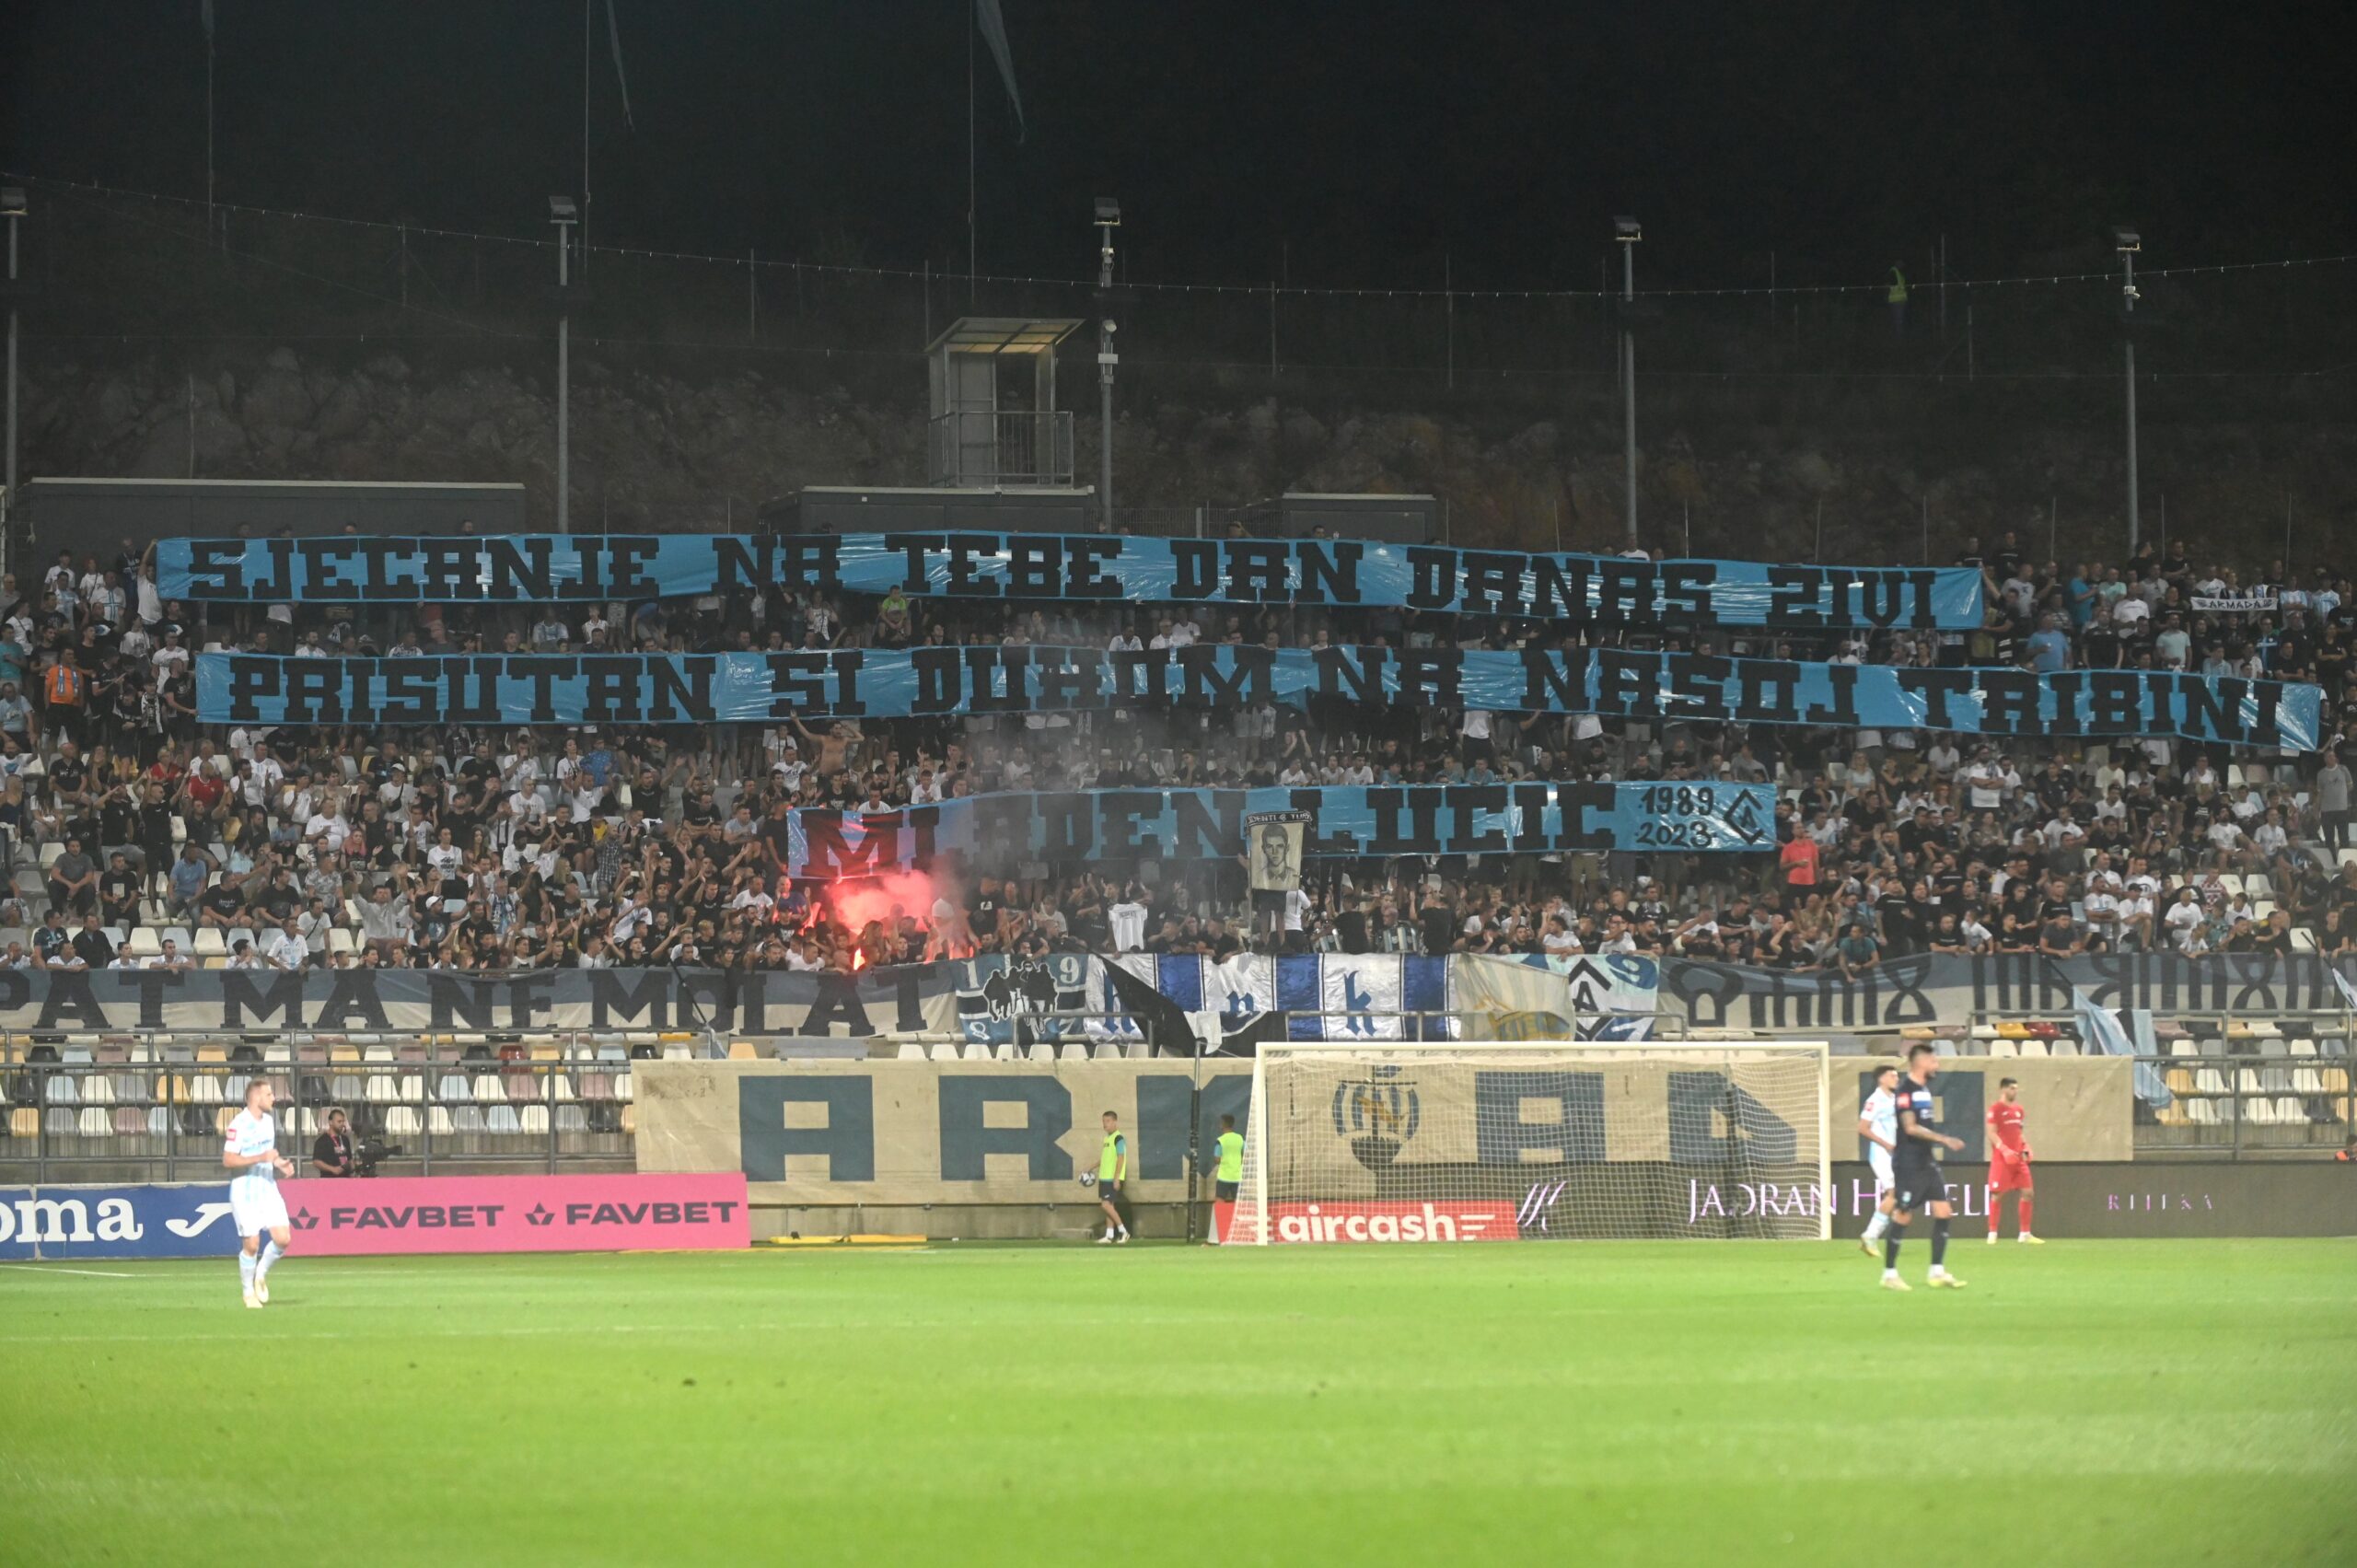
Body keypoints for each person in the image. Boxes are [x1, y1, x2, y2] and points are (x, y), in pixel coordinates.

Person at [1879, 1042, 1967, 1291]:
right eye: (1933, 1060)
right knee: (1904, 1216)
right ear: (1921, 1062)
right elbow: (1910, 1128)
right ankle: (1889, 1274)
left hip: (1926, 1162)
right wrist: (1944, 1139)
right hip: (1909, 1164)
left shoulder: (1924, 1090)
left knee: (1944, 1212)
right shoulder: (1905, 1090)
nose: (1937, 1065)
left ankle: (1937, 1271)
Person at [222, 1078, 296, 1308]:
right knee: (252, 1244)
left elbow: (268, 1153)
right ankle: (247, 1294)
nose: (274, 1098)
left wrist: (279, 1163)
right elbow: (228, 1160)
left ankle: (260, 1274)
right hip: (245, 1191)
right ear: (256, 1098)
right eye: (269, 1094)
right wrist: (261, 1158)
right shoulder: (238, 1124)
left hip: (267, 1187)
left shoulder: (268, 1121)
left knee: (283, 1239)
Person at [1985, 1076, 2044, 1244]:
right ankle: (1992, 1234)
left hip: (2018, 1158)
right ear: (2003, 1089)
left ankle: (2025, 1233)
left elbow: (2019, 1132)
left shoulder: (2019, 1110)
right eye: (2012, 1088)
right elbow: (1991, 1133)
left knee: (2028, 1193)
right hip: (2002, 1159)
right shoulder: (1995, 1109)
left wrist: (2026, 1147)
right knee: (1997, 1195)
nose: (2015, 1091)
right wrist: (2004, 1150)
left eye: (2016, 1088)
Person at [1856, 1065, 1902, 1257]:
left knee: (1896, 1195)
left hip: (1894, 1154)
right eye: (1892, 1076)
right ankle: (1870, 1235)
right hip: (1881, 1154)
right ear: (1881, 1079)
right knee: (1894, 1193)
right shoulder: (1874, 1101)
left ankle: (1871, 1235)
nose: (1896, 1079)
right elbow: (1863, 1128)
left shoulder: (1893, 1099)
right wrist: (1886, 1144)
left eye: (1897, 1076)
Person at [1094, 1109, 1131, 1246]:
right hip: (1104, 1178)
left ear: (1115, 1122)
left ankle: (1123, 1231)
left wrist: (1116, 1178)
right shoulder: (1107, 1139)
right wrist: (1091, 1167)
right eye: (1103, 1121)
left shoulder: (1118, 1138)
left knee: (1106, 1205)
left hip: (1112, 1178)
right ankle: (1109, 1235)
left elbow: (1121, 1158)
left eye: (1108, 1121)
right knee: (1110, 1206)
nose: (1105, 1124)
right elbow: (1104, 1159)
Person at [1208, 1113, 1245, 1245]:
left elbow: (1217, 1159)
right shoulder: (1240, 1138)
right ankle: (1239, 1232)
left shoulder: (1220, 1140)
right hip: (1237, 1176)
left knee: (1220, 1203)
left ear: (1223, 1125)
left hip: (1224, 1177)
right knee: (1238, 1205)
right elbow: (1245, 1153)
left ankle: (1218, 1234)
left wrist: (1223, 1159)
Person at [311, 1105, 355, 1178]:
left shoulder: (345, 1139)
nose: (342, 1124)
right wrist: (333, 1169)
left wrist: (353, 1168)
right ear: (330, 1122)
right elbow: (316, 1162)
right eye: (339, 1121)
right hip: (329, 1179)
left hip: (346, 1179)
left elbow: (349, 1159)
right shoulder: (322, 1141)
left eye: (343, 1121)